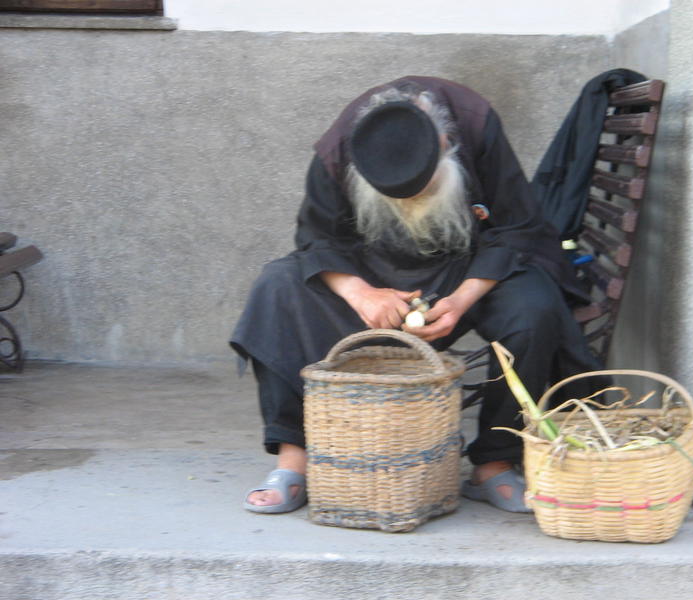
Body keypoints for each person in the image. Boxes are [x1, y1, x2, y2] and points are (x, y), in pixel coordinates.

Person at [230, 75, 602, 515]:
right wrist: (361, 293)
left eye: (423, 190)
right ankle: (295, 461)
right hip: (371, 270)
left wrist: (463, 299)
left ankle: (494, 462)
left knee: (534, 306)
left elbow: (515, 227)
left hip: (467, 264)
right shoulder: (339, 147)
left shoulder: (475, 123)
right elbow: (315, 236)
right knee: (276, 288)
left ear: (447, 144)